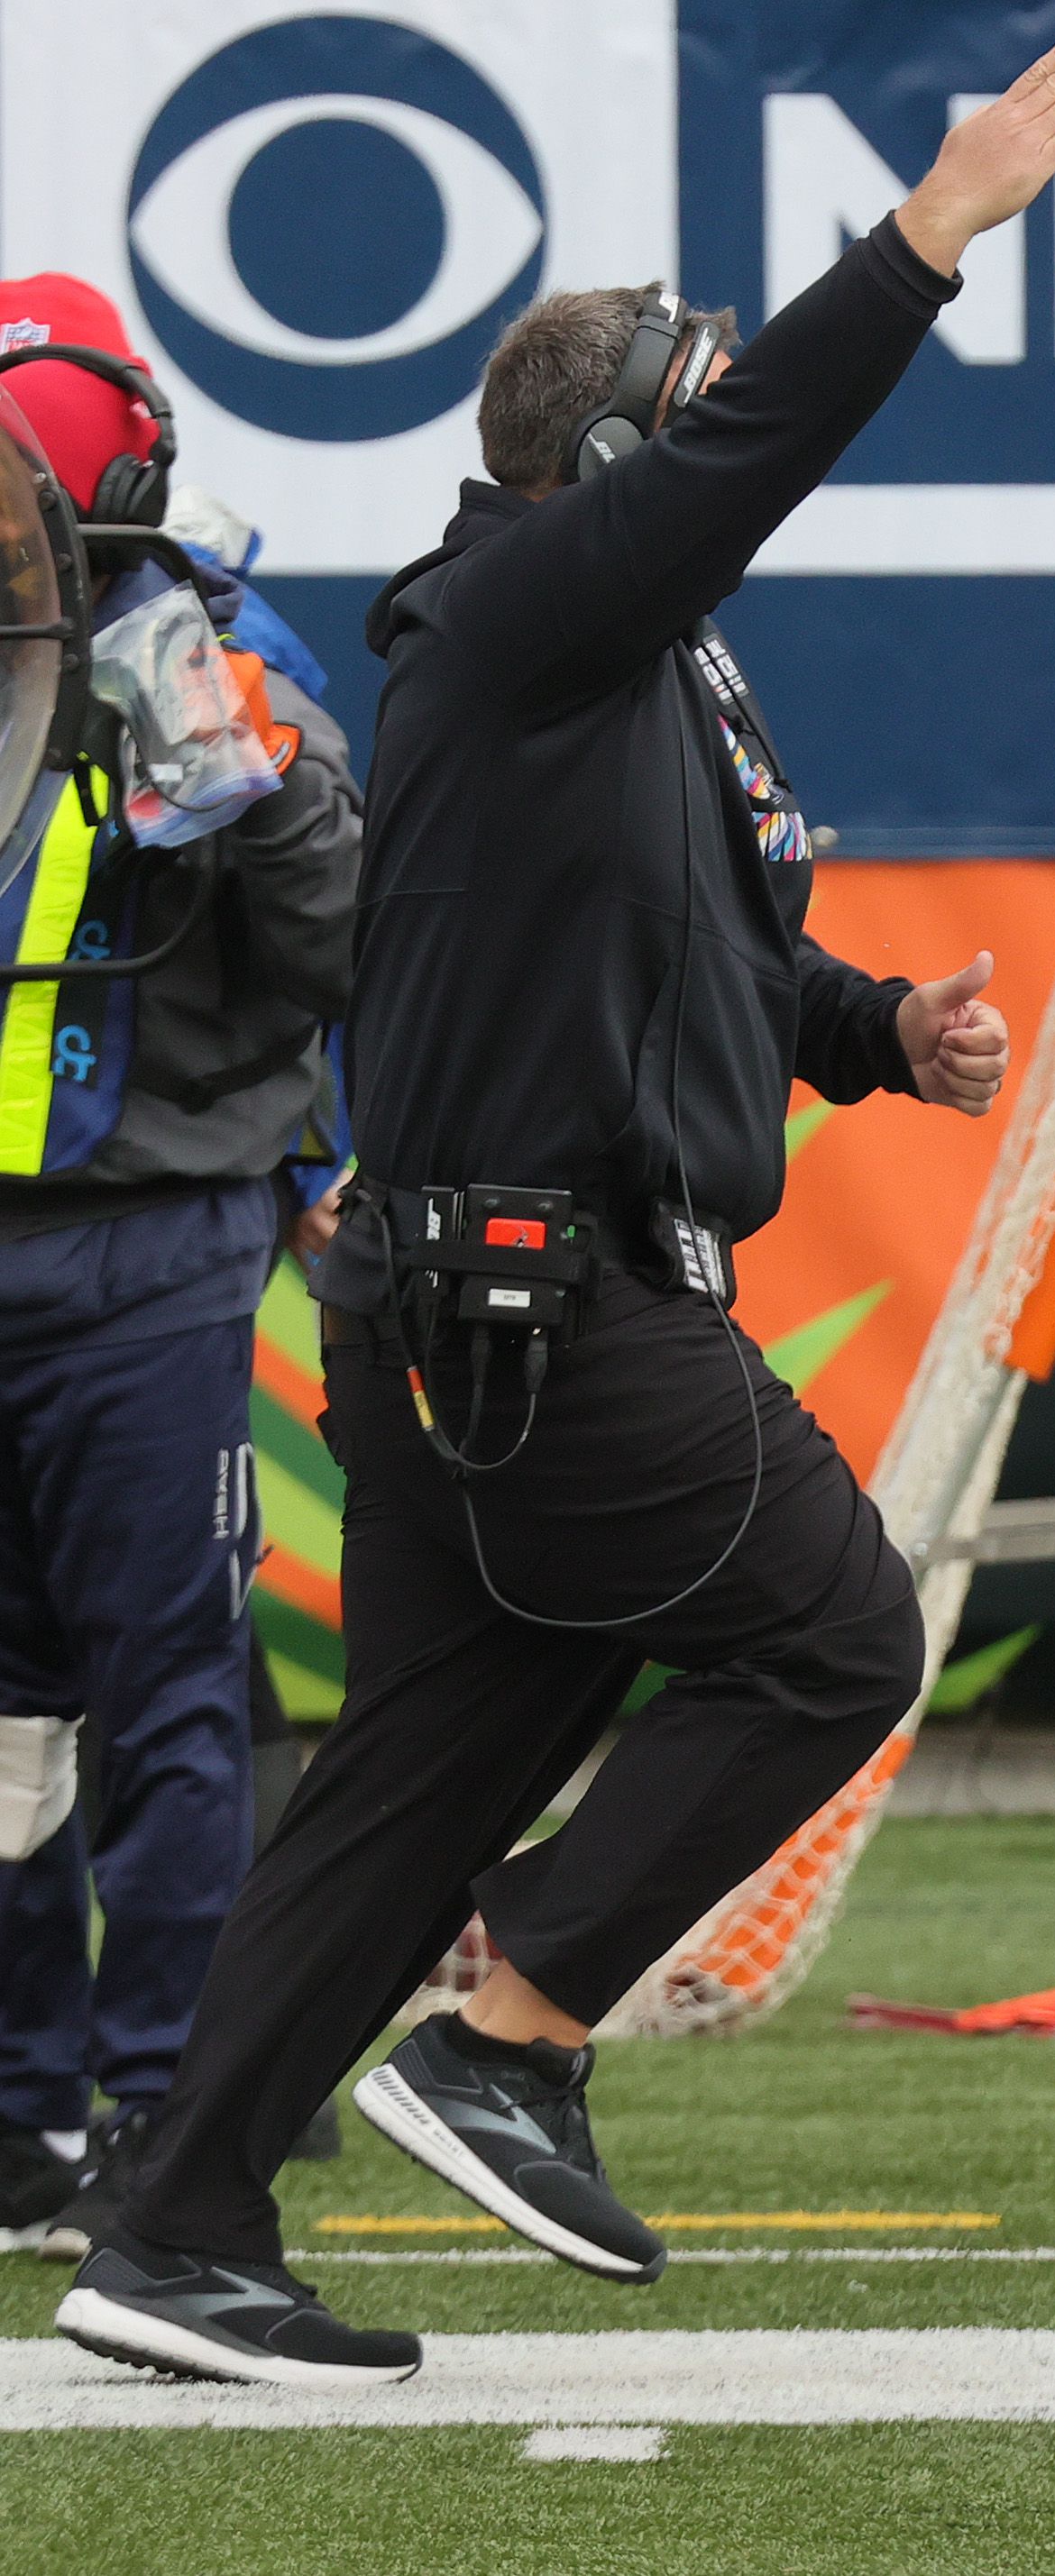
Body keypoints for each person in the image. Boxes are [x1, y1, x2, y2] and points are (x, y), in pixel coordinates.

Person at [56, 30, 1055, 2389]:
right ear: (623, 462)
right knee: (841, 1633)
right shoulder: (530, 613)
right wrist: (927, 238)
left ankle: (179, 2227)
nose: (732, 449)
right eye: (700, 417)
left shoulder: (602, 666)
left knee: (421, 1775)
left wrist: (871, 1033)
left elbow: (690, 951)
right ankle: (510, 2035)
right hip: (538, 1291)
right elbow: (748, 451)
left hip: (478, 1292)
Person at [0, 274, 362, 2261]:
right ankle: (17, 2108)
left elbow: (345, 937)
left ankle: (176, 2107)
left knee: (162, 1694)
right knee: (2, 1721)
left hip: (148, 1244)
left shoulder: (226, 658)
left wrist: (243, 768)